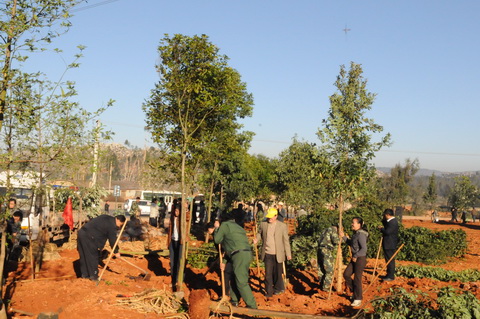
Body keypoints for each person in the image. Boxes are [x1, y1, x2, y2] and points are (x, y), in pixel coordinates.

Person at [208, 212, 257, 309]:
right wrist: (224, 262)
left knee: (241, 281)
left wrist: (217, 228)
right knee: (235, 278)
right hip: (244, 253)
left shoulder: (225, 225)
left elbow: (217, 240)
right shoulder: (237, 227)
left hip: (239, 255)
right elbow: (230, 246)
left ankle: (253, 307)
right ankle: (234, 301)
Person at [254, 207, 292, 297]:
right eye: (268, 217)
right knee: (268, 274)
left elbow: (286, 241)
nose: (269, 218)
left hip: (278, 254)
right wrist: (257, 239)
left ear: (276, 216)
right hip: (267, 253)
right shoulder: (263, 224)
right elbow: (260, 233)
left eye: (271, 217)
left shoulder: (282, 226)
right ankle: (269, 292)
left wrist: (288, 254)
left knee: (277, 273)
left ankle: (278, 288)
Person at [77, 214, 126, 281]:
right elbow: (112, 239)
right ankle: (94, 276)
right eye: (120, 225)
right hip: (89, 237)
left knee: (84, 255)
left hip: (81, 233)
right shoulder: (112, 225)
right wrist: (116, 251)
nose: (119, 227)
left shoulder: (105, 217)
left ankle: (85, 275)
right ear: (118, 220)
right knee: (93, 256)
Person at [341, 217, 368, 307]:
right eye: (352, 222)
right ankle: (355, 292)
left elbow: (364, 249)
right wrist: (343, 236)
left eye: (354, 223)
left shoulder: (361, 234)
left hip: (360, 258)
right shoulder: (356, 234)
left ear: (359, 224)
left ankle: (358, 298)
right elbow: (351, 243)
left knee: (357, 278)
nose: (352, 224)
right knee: (346, 274)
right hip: (355, 258)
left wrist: (356, 256)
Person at [317, 225, 339, 292]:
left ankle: (321, 285)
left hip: (319, 250)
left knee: (322, 269)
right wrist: (343, 238)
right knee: (330, 270)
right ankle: (326, 287)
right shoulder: (333, 229)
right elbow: (336, 241)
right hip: (326, 250)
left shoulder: (325, 230)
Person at [379, 209, 399, 282]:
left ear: (387, 215)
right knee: (388, 260)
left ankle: (390, 276)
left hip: (390, 244)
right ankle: (389, 274)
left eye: (385, 215)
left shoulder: (393, 222)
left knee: (390, 260)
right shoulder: (390, 222)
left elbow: (387, 232)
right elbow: (385, 224)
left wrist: (381, 229)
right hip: (388, 244)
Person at [167, 204, 184, 291]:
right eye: (175, 211)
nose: (176, 212)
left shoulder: (183, 219)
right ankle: (173, 280)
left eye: (177, 211)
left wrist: (185, 208)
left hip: (180, 242)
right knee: (172, 261)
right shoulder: (172, 218)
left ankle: (178, 280)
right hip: (172, 241)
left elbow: (188, 216)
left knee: (179, 261)